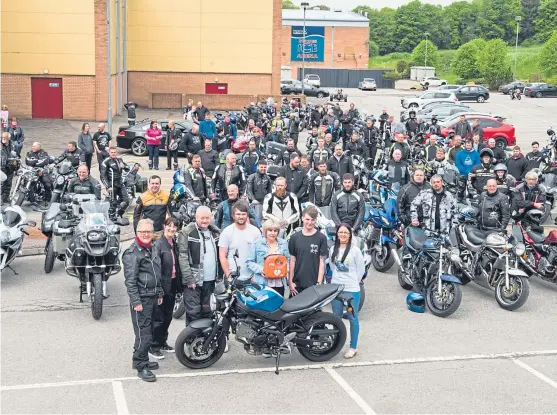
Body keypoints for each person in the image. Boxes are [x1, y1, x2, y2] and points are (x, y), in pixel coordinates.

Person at [123, 218, 163, 382]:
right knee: (144, 334)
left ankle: (143, 358)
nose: (146, 234)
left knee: (149, 332)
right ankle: (140, 365)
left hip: (153, 296)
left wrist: (159, 293)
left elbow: (157, 273)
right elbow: (130, 281)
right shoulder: (132, 253)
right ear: (137, 232)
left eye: (149, 231)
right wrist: (136, 301)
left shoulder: (152, 248)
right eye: (143, 232)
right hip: (142, 299)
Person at [177, 206, 221, 325]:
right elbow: (183, 256)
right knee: (193, 312)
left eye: (207, 218)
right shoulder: (187, 232)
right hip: (194, 281)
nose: (205, 221)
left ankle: (205, 340)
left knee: (208, 310)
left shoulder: (216, 232)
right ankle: (191, 340)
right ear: (196, 217)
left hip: (210, 280)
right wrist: (189, 279)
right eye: (202, 218)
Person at [329, 224, 364, 359]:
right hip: (337, 288)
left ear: (350, 235)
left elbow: (360, 270)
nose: (343, 235)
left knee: (352, 318)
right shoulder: (333, 249)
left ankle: (353, 347)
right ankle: (335, 343)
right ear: (337, 234)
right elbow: (333, 267)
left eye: (346, 232)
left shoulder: (355, 251)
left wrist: (353, 281)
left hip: (351, 290)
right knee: (336, 317)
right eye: (340, 232)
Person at [151, 217, 181, 357]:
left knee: (168, 316)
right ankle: (154, 346)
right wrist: (159, 291)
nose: (172, 229)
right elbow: (156, 269)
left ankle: (163, 342)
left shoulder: (173, 243)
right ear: (164, 226)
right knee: (159, 317)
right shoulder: (158, 244)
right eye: (169, 226)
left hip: (172, 283)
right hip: (162, 285)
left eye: (174, 227)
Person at [288, 206, 328, 296]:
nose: (310, 222)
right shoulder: (294, 238)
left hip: (313, 285)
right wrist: (290, 282)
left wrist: (319, 283)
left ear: (316, 220)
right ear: (302, 218)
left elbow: (322, 262)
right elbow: (292, 261)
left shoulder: (321, 238)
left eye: (313, 220)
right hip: (297, 284)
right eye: (307, 219)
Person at [246, 218, 291, 297]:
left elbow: (288, 260)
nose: (273, 233)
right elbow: (249, 262)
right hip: (262, 283)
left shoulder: (283, 243)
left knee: (278, 306)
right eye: (270, 230)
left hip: (279, 283)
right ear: (265, 231)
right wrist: (261, 270)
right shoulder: (257, 244)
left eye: (275, 231)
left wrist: (285, 270)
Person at [219, 201, 261, 281]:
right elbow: (222, 256)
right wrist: (229, 276)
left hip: (252, 277)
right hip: (233, 277)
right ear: (233, 216)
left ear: (247, 215)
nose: (241, 217)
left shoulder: (255, 231)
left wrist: (256, 275)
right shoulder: (226, 232)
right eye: (238, 214)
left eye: (243, 214)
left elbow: (259, 255)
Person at [101, 147, 130, 217]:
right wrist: (107, 186)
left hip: (120, 184)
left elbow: (128, 168)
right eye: (112, 152)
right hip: (112, 185)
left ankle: (119, 214)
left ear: (116, 153)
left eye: (115, 152)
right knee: (113, 203)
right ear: (109, 153)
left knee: (126, 201)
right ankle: (112, 216)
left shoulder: (119, 159)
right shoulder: (106, 162)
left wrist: (124, 166)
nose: (113, 154)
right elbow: (102, 176)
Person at [1, 132, 15, 204]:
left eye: (5, 138)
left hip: (10, 166)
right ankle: (1, 199)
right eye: (2, 138)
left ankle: (5, 198)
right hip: (1, 167)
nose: (3, 139)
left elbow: (15, 154)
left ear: (8, 138)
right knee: (1, 183)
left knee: (8, 183)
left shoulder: (12, 145)